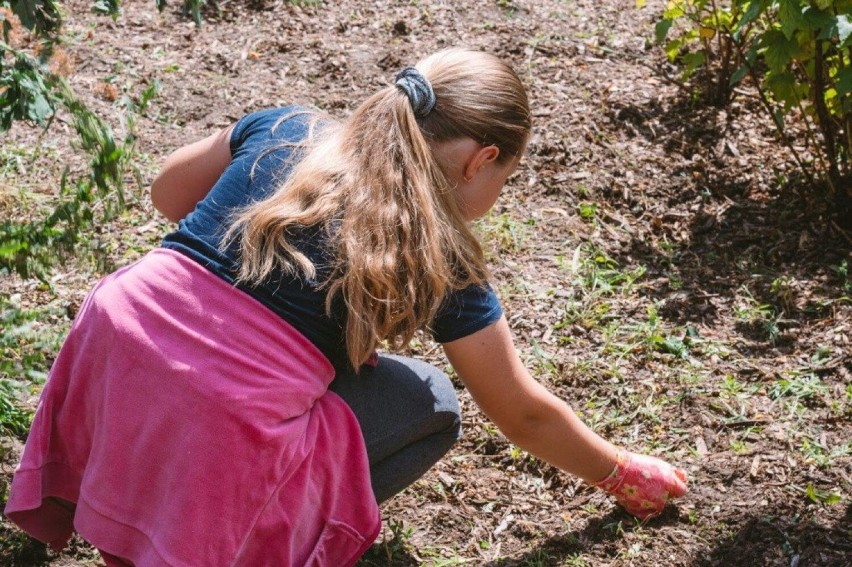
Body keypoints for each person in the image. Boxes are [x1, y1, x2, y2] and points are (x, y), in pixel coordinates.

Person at [5, 48, 687, 566]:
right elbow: (521, 412)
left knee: (233, 372)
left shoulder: (286, 129)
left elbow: (167, 195)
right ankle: (252, 538)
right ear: (482, 160)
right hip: (219, 416)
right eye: (505, 177)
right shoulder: (440, 249)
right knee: (432, 403)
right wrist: (620, 471)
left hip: (114, 352)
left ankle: (124, 501)